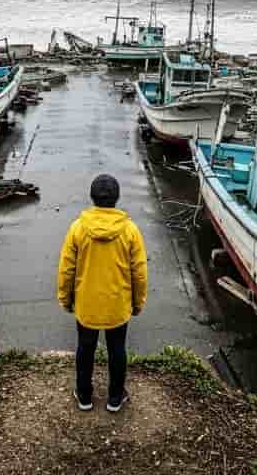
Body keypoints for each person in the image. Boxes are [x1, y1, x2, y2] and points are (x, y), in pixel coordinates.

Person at [56, 174, 148, 412]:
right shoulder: (130, 230)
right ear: (117, 198)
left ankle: (84, 396)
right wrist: (137, 303)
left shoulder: (77, 228)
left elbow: (66, 269)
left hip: (87, 304)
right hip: (118, 305)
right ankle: (115, 398)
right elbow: (139, 272)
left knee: (85, 349)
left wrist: (66, 300)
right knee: (117, 350)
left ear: (92, 197)